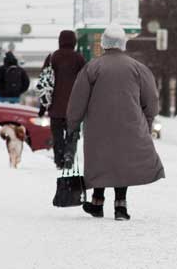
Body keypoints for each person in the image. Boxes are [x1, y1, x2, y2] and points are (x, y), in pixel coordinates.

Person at [66, 24, 165, 221]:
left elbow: (78, 99)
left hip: (98, 126)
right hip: (130, 124)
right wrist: (147, 120)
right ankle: (121, 206)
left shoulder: (92, 67)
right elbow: (151, 99)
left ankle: (97, 203)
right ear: (123, 43)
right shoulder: (138, 68)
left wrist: (73, 124)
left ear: (104, 44)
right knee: (123, 161)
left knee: (101, 159)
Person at [40, 30, 86, 169]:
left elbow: (45, 84)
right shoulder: (79, 59)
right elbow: (85, 82)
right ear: (74, 41)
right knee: (72, 134)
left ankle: (59, 159)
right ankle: (69, 155)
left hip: (55, 107)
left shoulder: (52, 57)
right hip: (74, 107)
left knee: (57, 136)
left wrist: (42, 107)